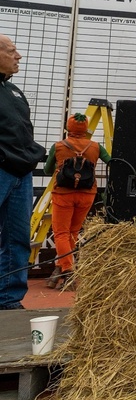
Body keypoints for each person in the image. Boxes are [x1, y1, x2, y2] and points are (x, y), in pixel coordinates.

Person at [0, 34, 46, 310]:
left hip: (21, 174)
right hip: (3, 170)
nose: (18, 56)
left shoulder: (13, 91)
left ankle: (8, 300)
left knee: (17, 239)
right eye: (12, 51)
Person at [42, 113, 111, 290]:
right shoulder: (95, 146)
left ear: (68, 128)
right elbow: (111, 161)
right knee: (72, 232)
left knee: (61, 233)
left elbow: (47, 170)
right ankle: (60, 267)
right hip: (87, 194)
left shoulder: (58, 146)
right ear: (86, 129)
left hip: (63, 194)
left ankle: (67, 269)